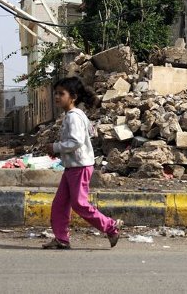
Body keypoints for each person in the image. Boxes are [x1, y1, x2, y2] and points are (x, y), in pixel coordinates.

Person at [42, 77, 123, 250]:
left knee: (79, 204)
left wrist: (56, 147)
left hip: (80, 166)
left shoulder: (73, 117)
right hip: (73, 166)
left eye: (61, 93)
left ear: (73, 97)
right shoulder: (75, 115)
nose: (57, 97)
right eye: (55, 93)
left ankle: (110, 226)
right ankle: (61, 238)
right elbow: (89, 133)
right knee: (60, 204)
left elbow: (76, 141)